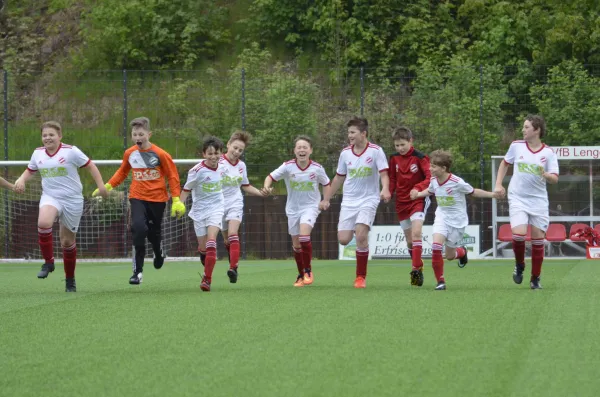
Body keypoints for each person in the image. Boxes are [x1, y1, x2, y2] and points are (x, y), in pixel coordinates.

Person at [14, 121, 108, 292]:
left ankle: (70, 280)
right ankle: (48, 262)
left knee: (67, 241)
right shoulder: (38, 153)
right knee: (43, 222)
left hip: (72, 199)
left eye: (51, 134)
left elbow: (91, 166)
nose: (47, 138)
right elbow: (30, 170)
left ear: (60, 136)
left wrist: (101, 186)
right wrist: (21, 179)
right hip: (51, 196)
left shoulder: (71, 151)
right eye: (44, 135)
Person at [93, 117, 185, 285]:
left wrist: (177, 199)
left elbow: (172, 177)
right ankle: (137, 272)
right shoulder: (130, 153)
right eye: (135, 134)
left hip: (158, 199)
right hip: (137, 197)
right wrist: (107, 186)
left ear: (149, 134)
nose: (138, 137)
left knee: (153, 233)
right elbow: (122, 172)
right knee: (138, 228)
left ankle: (158, 252)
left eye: (141, 134)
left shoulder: (161, 154)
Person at [411, 149, 498, 290]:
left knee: (450, 256)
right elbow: (431, 191)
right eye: (430, 165)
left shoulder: (457, 182)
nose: (430, 168)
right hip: (442, 217)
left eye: (433, 166)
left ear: (443, 168)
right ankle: (440, 281)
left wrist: (493, 195)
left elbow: (473, 192)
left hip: (457, 221)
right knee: (436, 247)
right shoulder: (433, 180)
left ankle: (462, 252)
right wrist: (419, 194)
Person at [319, 116, 391, 288]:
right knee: (344, 239)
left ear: (363, 133)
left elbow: (384, 174)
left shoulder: (376, 151)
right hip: (349, 200)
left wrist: (385, 188)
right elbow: (338, 178)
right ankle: (362, 241)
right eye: (348, 132)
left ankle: (360, 277)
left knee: (360, 235)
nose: (349, 136)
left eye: (353, 132)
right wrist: (326, 198)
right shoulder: (345, 153)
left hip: (369, 199)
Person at [494, 115, 559, 289]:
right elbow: (504, 164)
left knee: (538, 240)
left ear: (536, 130)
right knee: (518, 234)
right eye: (523, 127)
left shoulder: (548, 153)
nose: (523, 130)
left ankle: (535, 278)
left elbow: (554, 178)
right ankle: (519, 264)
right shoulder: (516, 146)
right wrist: (499, 183)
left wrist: (545, 175)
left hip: (538, 201)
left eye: (526, 127)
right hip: (517, 197)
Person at [263, 136, 331, 287]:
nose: (302, 150)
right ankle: (301, 275)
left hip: (311, 207)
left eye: (305, 147)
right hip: (293, 209)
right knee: (296, 244)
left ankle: (308, 270)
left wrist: (325, 200)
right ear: (294, 151)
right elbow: (270, 177)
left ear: (310, 150)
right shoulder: (287, 166)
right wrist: (267, 187)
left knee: (304, 236)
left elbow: (327, 183)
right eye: (299, 147)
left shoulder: (317, 168)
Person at [218, 130, 268, 283]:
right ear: (228, 145)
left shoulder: (241, 166)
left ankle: (233, 268)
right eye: (235, 148)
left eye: (240, 150)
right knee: (226, 240)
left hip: (235, 202)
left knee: (233, 234)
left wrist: (261, 193)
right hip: (218, 204)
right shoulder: (217, 162)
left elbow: (245, 185)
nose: (237, 152)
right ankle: (233, 265)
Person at [179, 136, 225, 292]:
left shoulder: (223, 166)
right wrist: (179, 204)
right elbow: (186, 189)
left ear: (221, 153)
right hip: (199, 211)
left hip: (216, 208)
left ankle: (207, 279)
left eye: (216, 153)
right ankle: (203, 255)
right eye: (210, 154)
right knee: (203, 247)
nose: (213, 157)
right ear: (204, 154)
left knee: (212, 241)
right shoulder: (196, 171)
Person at [388, 126, 431, 287]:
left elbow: (430, 177)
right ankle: (418, 263)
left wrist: (418, 189)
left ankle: (416, 271)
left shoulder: (421, 157)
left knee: (417, 233)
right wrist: (388, 192)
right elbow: (392, 178)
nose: (400, 148)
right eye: (397, 145)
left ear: (410, 141)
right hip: (401, 202)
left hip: (418, 200)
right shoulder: (393, 159)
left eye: (403, 145)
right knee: (409, 241)